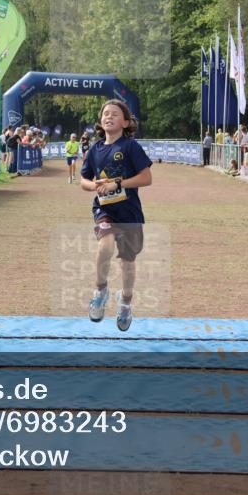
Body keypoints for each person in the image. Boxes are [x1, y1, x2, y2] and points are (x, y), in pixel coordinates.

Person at [81, 100, 152, 332]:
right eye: (105, 114)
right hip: (105, 211)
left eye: (114, 114)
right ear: (101, 121)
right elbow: (84, 180)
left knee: (127, 262)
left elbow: (146, 178)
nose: (108, 117)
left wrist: (118, 183)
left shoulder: (131, 147)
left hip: (129, 212)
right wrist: (93, 186)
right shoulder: (95, 149)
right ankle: (100, 292)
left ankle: (125, 303)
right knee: (105, 246)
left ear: (125, 121)